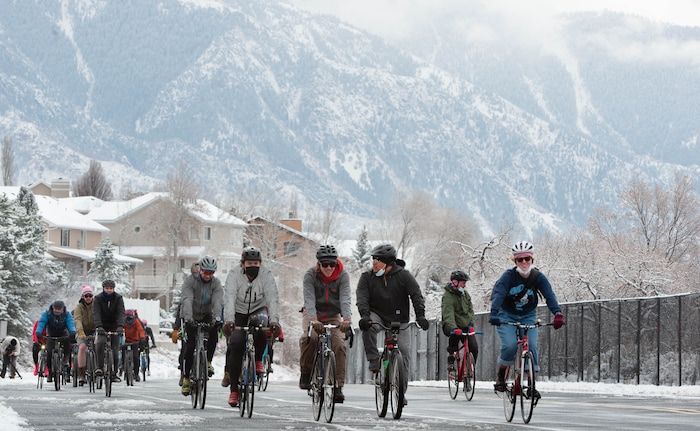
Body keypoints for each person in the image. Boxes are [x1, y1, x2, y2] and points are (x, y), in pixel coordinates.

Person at [489, 241, 565, 398]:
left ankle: (531, 384)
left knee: (531, 345)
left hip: (528, 315)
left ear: (532, 259)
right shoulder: (508, 276)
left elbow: (549, 295)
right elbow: (499, 294)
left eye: (527, 259)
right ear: (515, 261)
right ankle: (501, 376)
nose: (524, 262)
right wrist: (494, 312)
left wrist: (557, 313)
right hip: (506, 314)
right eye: (520, 259)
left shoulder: (538, 277)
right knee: (510, 345)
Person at [356, 243, 429, 405]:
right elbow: (361, 298)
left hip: (399, 318)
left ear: (389, 263)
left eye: (378, 260)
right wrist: (365, 316)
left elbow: (416, 295)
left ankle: (400, 392)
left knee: (404, 353)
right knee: (368, 326)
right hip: (377, 315)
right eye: (373, 259)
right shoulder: (366, 277)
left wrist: (420, 316)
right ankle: (374, 358)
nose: (374, 262)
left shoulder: (404, 276)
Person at [222, 246, 282, 407]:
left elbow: (272, 298)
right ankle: (234, 390)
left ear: (261, 264)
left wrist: (274, 321)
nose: (253, 266)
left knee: (261, 326)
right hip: (238, 311)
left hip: (258, 309)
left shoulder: (266, 276)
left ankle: (257, 360)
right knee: (236, 345)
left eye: (256, 263)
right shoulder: (234, 275)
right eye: (249, 263)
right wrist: (229, 320)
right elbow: (229, 298)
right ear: (243, 264)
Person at [299, 244, 352, 403]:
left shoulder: (343, 276)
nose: (329, 268)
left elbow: (345, 299)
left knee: (339, 345)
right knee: (311, 338)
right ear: (318, 264)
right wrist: (313, 320)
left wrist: (347, 320)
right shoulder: (310, 276)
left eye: (332, 264)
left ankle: (338, 386)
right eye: (325, 265)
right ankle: (306, 373)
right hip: (312, 313)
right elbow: (309, 299)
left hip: (333, 315)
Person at [180, 255, 224, 396]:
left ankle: (208, 361)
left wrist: (217, 317)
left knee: (213, 335)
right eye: (205, 272)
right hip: (191, 313)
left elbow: (218, 301)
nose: (208, 275)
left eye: (211, 273)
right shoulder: (190, 281)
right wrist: (188, 318)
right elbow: (187, 299)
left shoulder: (216, 283)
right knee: (190, 346)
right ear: (200, 270)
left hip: (207, 313)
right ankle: (186, 378)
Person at [441, 270, 479, 369]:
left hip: (465, 325)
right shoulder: (447, 296)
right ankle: (451, 355)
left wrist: (471, 323)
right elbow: (448, 314)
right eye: (463, 283)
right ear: (455, 282)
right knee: (455, 335)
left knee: (474, 348)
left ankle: (470, 371)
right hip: (451, 324)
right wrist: (454, 328)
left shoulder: (465, 295)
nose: (464, 286)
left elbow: (470, 310)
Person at [35, 300, 77, 383]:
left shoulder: (67, 314)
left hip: (63, 333)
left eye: (59, 309)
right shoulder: (47, 314)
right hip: (51, 333)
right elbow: (42, 323)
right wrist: (38, 332)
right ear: (53, 308)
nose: (57, 311)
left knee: (67, 344)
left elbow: (70, 323)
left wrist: (72, 332)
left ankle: (65, 359)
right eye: (55, 309)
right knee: (49, 351)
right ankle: (50, 372)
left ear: (62, 309)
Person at [93, 279, 125, 383]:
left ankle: (114, 373)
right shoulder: (97, 298)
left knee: (115, 350)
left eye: (111, 288)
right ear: (103, 288)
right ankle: (100, 367)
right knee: (100, 343)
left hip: (114, 325)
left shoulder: (118, 298)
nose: (109, 290)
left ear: (114, 289)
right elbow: (96, 313)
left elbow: (121, 312)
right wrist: (99, 326)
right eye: (107, 288)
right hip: (102, 325)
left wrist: (120, 326)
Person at [72, 284, 96, 386]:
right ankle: (82, 374)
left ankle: (98, 368)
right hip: (82, 331)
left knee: (99, 346)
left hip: (95, 330)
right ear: (83, 297)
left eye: (90, 296)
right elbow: (77, 319)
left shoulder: (96, 305)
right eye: (86, 296)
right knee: (82, 347)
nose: (88, 298)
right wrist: (80, 331)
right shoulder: (79, 307)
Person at [122, 309, 146, 382]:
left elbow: (140, 330)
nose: (128, 317)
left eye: (129, 315)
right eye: (127, 315)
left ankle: (136, 373)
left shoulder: (135, 321)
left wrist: (142, 338)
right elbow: (120, 328)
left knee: (136, 357)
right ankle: (124, 368)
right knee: (123, 353)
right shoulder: (124, 322)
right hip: (127, 341)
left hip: (135, 341)